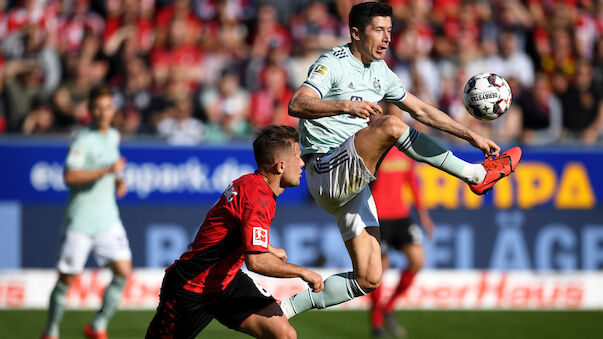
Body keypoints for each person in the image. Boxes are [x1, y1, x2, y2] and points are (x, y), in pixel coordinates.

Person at [279, 2, 522, 318]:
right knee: (392, 125)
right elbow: (297, 103)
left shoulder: (380, 72)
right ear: (355, 32)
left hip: (352, 183)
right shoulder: (333, 63)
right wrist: (346, 106)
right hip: (324, 168)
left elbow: (421, 110)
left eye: (389, 31)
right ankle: (475, 175)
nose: (386, 38)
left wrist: (470, 135)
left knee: (369, 278)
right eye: (378, 30)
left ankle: (284, 309)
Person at [145, 125, 324, 339]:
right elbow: (257, 263)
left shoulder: (251, 183)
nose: (303, 162)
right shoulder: (258, 198)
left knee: (284, 335)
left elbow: (232, 229)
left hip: (226, 282)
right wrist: (303, 272)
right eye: (298, 156)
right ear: (281, 166)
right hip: (192, 287)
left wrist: (267, 247)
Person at [42, 86, 132, 339]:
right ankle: (50, 331)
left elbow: (110, 167)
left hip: (107, 219)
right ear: (90, 110)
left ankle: (97, 326)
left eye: (108, 107)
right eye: (98, 108)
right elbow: (70, 176)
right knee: (67, 280)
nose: (104, 113)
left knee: (123, 272)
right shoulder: (83, 140)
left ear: (113, 109)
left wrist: (117, 181)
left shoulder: (113, 135)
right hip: (80, 221)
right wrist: (106, 171)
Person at [369, 149, 434, 338]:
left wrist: (423, 215)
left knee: (417, 261)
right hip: (378, 216)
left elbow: (411, 182)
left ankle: (387, 308)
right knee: (378, 270)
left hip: (401, 215)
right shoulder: (377, 147)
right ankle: (377, 323)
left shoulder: (406, 150)